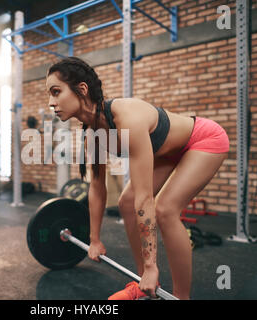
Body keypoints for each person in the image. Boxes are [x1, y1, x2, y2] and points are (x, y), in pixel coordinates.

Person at [45, 57, 229, 300]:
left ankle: (181, 296)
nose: (51, 102)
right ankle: (141, 282)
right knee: (125, 203)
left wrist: (154, 265)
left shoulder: (126, 118)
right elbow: (97, 188)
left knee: (164, 209)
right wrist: (94, 240)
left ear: (81, 89)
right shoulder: (93, 136)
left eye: (56, 92)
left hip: (203, 140)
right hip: (167, 151)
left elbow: (145, 198)